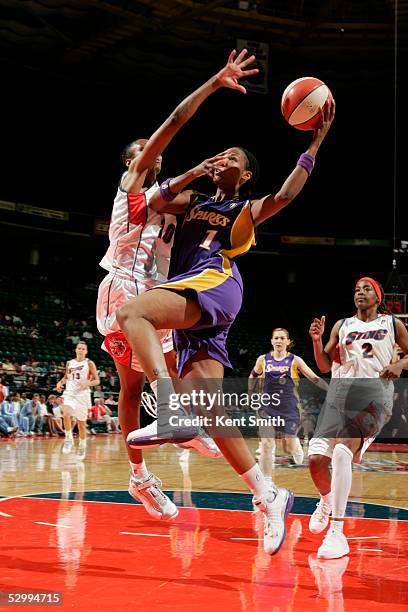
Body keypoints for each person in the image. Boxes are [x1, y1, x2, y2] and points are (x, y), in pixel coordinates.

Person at [116, 62, 335, 554]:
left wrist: (314, 146)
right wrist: (189, 168)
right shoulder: (190, 199)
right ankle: (269, 493)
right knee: (211, 410)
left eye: (231, 157)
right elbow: (156, 183)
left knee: (133, 314)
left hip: (215, 280)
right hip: (192, 297)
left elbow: (284, 195)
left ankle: (167, 404)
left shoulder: (244, 208)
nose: (222, 161)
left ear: (247, 172)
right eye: (219, 156)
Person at [95, 49, 257, 521]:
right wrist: (213, 83)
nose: (153, 150)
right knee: (150, 378)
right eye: (143, 149)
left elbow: (207, 207)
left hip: (155, 292)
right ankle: (152, 457)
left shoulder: (172, 203)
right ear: (132, 162)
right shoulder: (131, 191)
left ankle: (148, 467)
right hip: (125, 290)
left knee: (151, 379)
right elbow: (174, 120)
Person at [308, 277, 408, 559]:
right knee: (315, 462)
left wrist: (400, 363)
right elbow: (325, 365)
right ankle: (326, 503)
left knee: (341, 451)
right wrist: (316, 341)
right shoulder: (342, 325)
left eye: (366, 289)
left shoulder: (392, 324)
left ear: (378, 297)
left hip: (374, 396)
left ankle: (337, 533)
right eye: (356, 289)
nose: (360, 293)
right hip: (339, 397)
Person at [249, 327, 328, 480]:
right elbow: (252, 376)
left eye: (282, 338)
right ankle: (266, 483)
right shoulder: (262, 359)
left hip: (289, 409)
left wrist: (330, 389)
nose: (279, 341)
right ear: (272, 341)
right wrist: (251, 393)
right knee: (266, 444)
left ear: (288, 341)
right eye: (276, 338)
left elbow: (314, 377)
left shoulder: (295, 360)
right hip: (267, 408)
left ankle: (296, 447)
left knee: (289, 446)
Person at [56, 342, 100, 460]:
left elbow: (97, 380)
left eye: (83, 349)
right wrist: (60, 383)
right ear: (76, 350)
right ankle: (68, 438)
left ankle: (82, 445)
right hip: (70, 393)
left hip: (83, 395)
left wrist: (87, 383)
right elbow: (66, 377)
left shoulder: (89, 363)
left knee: (81, 424)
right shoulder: (70, 363)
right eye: (79, 348)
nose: (80, 350)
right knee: (66, 413)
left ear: (86, 351)